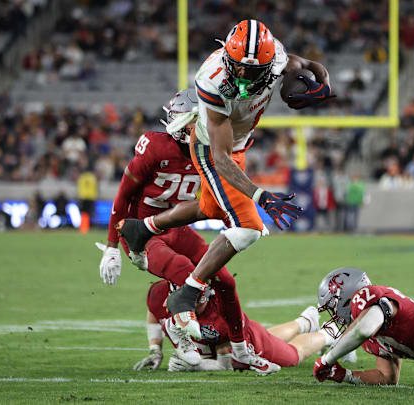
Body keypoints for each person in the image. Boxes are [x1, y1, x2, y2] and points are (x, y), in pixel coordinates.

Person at [117, 19, 334, 366]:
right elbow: (219, 157)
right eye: (240, 70)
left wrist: (320, 84)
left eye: (254, 72)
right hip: (209, 147)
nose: (246, 80)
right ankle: (188, 291)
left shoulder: (277, 59)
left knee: (210, 207)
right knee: (249, 227)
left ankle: (146, 227)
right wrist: (260, 195)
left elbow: (306, 65)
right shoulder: (213, 80)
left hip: (238, 145)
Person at [96, 88, 249, 367]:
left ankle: (240, 348)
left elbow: (219, 196)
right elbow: (123, 194)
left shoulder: (210, 152)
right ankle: (183, 339)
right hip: (142, 232)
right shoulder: (156, 147)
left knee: (225, 280)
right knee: (183, 271)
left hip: (175, 228)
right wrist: (111, 246)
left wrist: (236, 222)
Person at [134, 280, 347, 373]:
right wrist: (155, 349)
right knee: (268, 335)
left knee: (291, 356)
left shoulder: (220, 313)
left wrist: (198, 366)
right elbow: (154, 313)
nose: (190, 308)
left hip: (242, 342)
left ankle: (330, 333)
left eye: (197, 301)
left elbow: (227, 358)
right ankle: (305, 322)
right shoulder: (159, 294)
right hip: (215, 346)